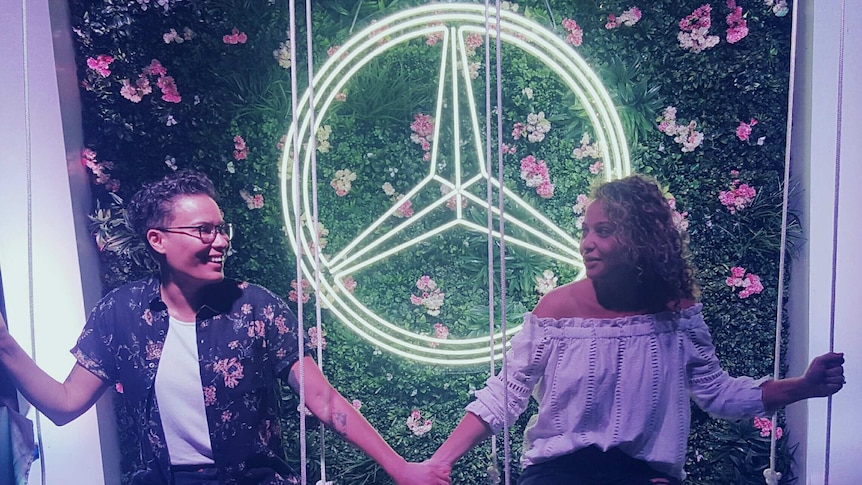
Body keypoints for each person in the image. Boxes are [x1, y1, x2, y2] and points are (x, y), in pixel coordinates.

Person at [0, 170, 448, 485]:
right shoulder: (121, 313)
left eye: (221, 229)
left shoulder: (256, 307)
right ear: (158, 239)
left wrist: (400, 467)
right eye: (203, 230)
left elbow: (325, 401)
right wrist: (6, 347)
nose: (221, 241)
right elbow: (63, 404)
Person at [429, 174, 845, 484]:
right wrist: (439, 463)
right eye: (585, 231)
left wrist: (803, 387)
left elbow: (716, 394)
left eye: (603, 231)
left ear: (642, 238)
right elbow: (507, 393)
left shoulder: (675, 314)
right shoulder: (557, 309)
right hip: (559, 475)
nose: (586, 242)